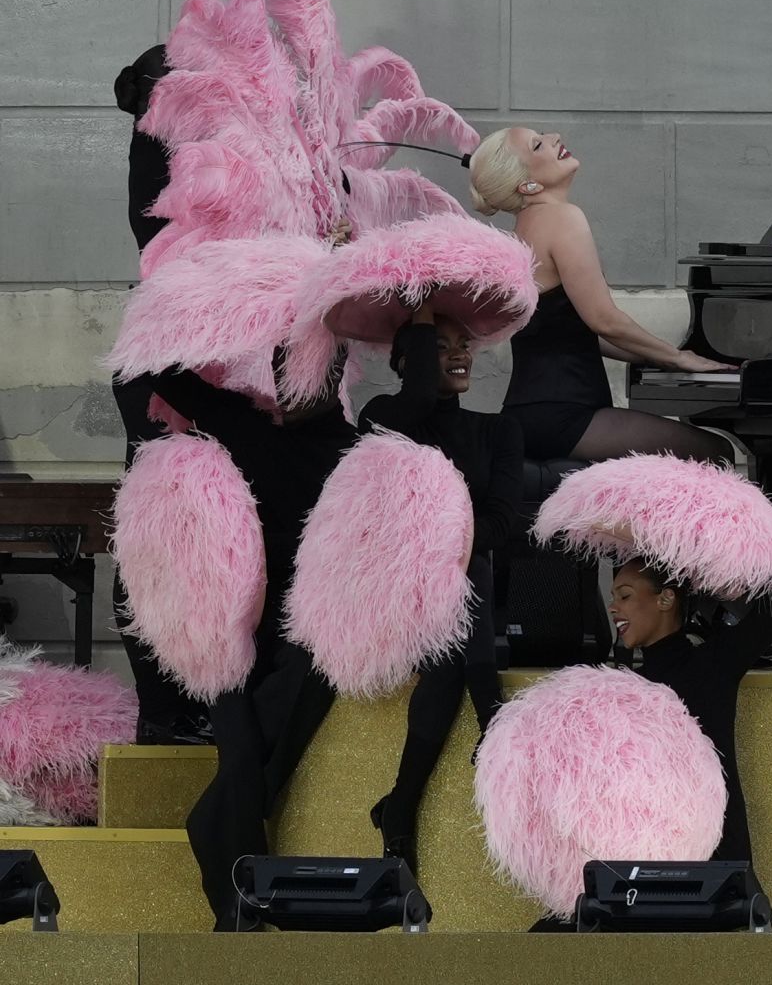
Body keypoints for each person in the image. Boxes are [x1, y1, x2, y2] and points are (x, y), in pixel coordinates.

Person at [149, 353, 355, 930]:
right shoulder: (248, 427)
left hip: (306, 641)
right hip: (232, 632)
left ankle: (237, 919)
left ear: (334, 376)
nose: (290, 382)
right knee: (240, 762)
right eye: (280, 367)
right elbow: (159, 374)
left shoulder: (356, 450)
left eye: (309, 369)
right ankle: (241, 914)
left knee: (241, 778)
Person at [358, 303, 524, 874]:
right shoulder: (384, 416)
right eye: (440, 345)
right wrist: (422, 315)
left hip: (463, 596)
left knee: (467, 576)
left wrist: (451, 537)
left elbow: (500, 524)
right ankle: (491, 713)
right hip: (396, 592)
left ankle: (400, 807)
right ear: (408, 361)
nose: (457, 353)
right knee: (463, 568)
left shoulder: (499, 429)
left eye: (463, 344)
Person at [467, 126, 734, 464]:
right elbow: (603, 319)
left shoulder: (525, 227)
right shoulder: (561, 217)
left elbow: (572, 333)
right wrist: (676, 359)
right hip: (565, 417)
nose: (554, 138)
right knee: (716, 453)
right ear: (528, 185)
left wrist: (651, 356)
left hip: (536, 411)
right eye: (538, 145)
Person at [112, 44, 210, 744]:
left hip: (174, 346)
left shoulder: (168, 150)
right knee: (156, 538)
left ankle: (173, 702)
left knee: (170, 535)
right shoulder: (159, 147)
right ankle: (164, 706)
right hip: (172, 354)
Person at [609, 559, 772, 865]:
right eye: (613, 597)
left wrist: (698, 560)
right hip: (648, 861)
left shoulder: (713, 663)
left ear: (666, 599)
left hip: (718, 863)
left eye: (625, 596)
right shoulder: (624, 688)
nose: (614, 607)